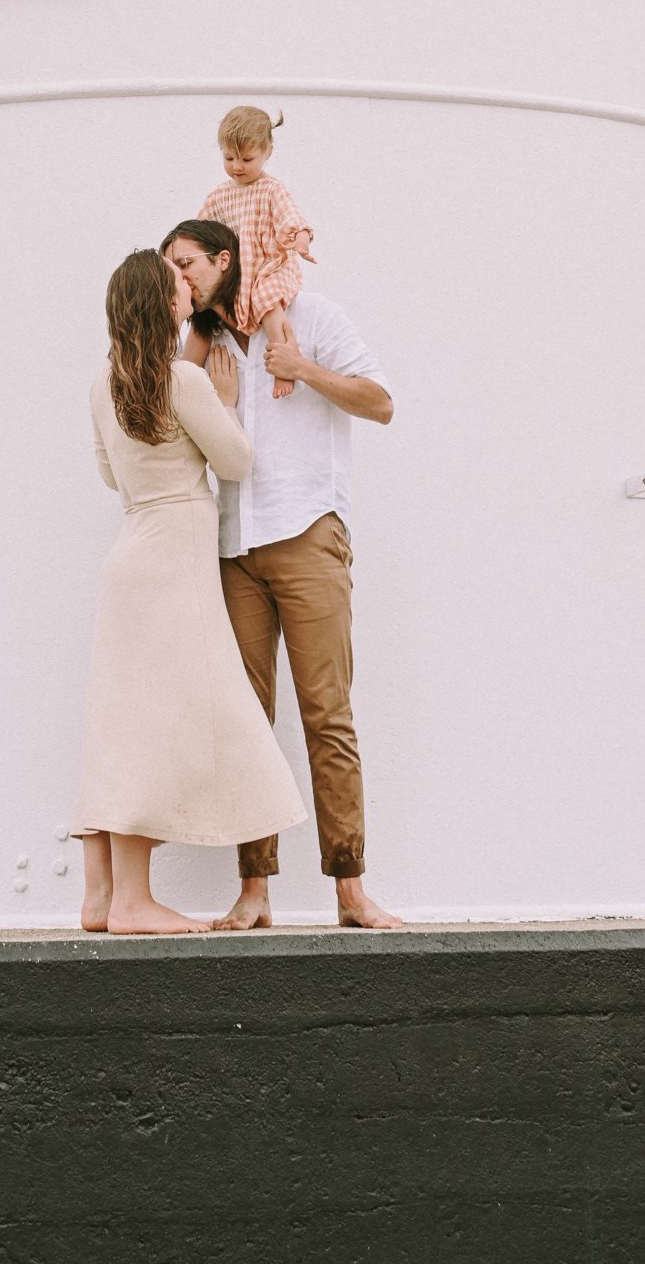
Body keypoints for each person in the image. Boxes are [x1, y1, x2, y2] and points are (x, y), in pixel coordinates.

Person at [164, 216, 402, 931]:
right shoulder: (203, 343)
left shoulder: (311, 316)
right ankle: (254, 891)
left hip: (307, 533)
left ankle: (351, 889)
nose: (179, 277)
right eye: (170, 267)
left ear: (224, 259)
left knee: (327, 714)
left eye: (187, 264)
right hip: (234, 547)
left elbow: (381, 403)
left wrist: (303, 371)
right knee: (246, 724)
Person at [73, 247, 304, 936]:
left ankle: (100, 896)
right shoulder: (184, 381)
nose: (187, 287)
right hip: (174, 559)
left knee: (120, 720)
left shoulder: (100, 384)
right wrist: (228, 404)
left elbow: (112, 479)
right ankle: (134, 903)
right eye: (176, 281)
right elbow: (235, 462)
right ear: (157, 302)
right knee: (154, 724)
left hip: (129, 559)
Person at [198, 103, 313, 398]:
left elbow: (291, 218)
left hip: (269, 266)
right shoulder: (219, 196)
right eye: (229, 157)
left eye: (247, 158)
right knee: (216, 309)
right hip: (240, 274)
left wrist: (300, 239)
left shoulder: (272, 190)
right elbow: (200, 231)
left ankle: (284, 364)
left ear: (267, 152)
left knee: (268, 302)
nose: (237, 165)